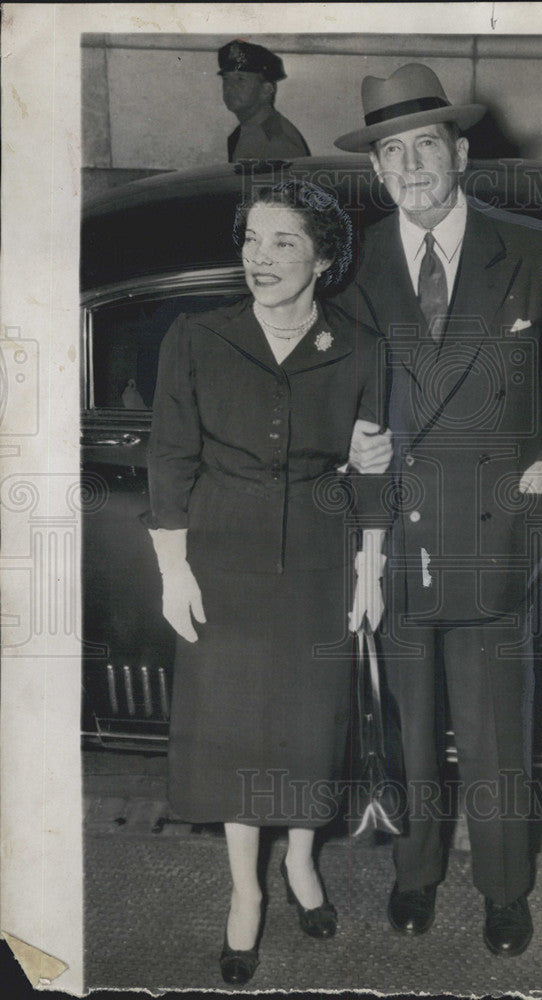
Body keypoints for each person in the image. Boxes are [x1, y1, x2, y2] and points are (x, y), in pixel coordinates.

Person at [335, 63, 542, 957]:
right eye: (391, 152)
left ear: (459, 153)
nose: (410, 165)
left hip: (496, 528)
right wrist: (350, 438)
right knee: (411, 725)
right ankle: (415, 874)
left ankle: (504, 889)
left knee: (496, 732)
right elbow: (329, 376)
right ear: (378, 169)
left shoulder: (531, 247)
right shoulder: (355, 256)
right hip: (398, 529)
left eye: (425, 146)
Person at [145, 179, 390, 985]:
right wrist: (172, 570)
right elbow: (171, 458)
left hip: (321, 562)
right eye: (253, 239)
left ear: (323, 257)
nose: (262, 257)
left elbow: (370, 469)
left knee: (307, 733)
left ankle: (303, 866)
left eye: (285, 242)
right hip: (222, 565)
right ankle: (246, 893)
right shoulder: (197, 335)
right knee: (236, 737)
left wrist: (369, 570)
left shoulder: (360, 345)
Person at [218, 39, 310, 162]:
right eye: (226, 79)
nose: (229, 87)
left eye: (240, 79)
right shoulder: (246, 130)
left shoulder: (278, 141)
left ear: (266, 90)